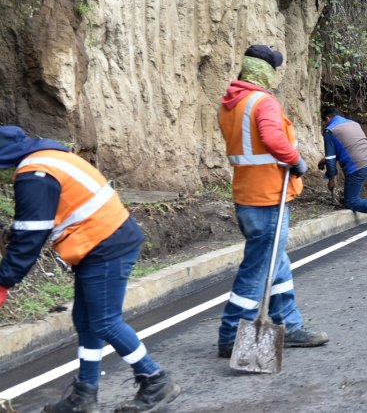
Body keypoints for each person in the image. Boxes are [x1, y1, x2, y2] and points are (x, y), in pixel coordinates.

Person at [0, 126, 182, 412]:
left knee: (105, 321)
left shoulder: (34, 174)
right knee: (86, 320)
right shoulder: (49, 156)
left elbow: (30, 233)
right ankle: (84, 395)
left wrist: (5, 279)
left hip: (105, 243)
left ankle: (155, 379)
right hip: (104, 239)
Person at [216, 45, 328, 359]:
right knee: (257, 271)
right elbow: (272, 138)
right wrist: (296, 161)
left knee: (276, 266)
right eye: (273, 68)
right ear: (264, 71)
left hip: (247, 196)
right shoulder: (262, 101)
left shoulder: (231, 103)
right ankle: (229, 334)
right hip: (268, 198)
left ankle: (290, 326)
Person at [319, 107, 367, 223]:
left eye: (324, 122)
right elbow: (348, 146)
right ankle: (352, 196)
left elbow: (331, 160)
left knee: (351, 201)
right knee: (352, 193)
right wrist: (324, 160)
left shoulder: (329, 131)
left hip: (358, 166)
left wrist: (331, 179)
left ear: (327, 118)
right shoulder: (352, 123)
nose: (324, 125)